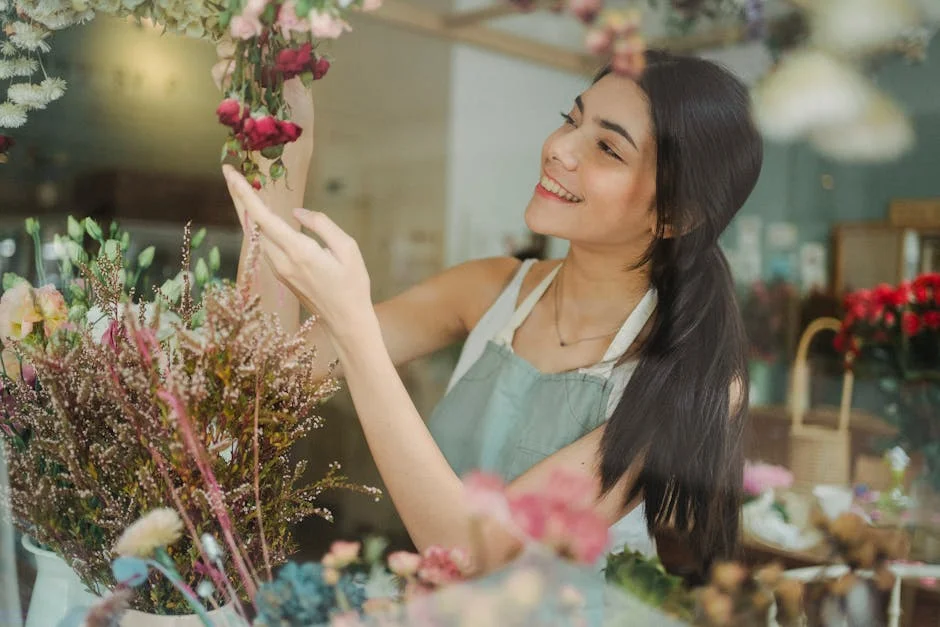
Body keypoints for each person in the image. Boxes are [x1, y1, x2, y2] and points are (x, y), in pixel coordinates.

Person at [223, 50, 762, 583]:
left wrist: (354, 327)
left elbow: (470, 550)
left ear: (674, 213)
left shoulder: (689, 378)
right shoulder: (490, 289)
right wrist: (283, 162)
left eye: (606, 148)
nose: (559, 150)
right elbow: (270, 370)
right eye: (570, 120)